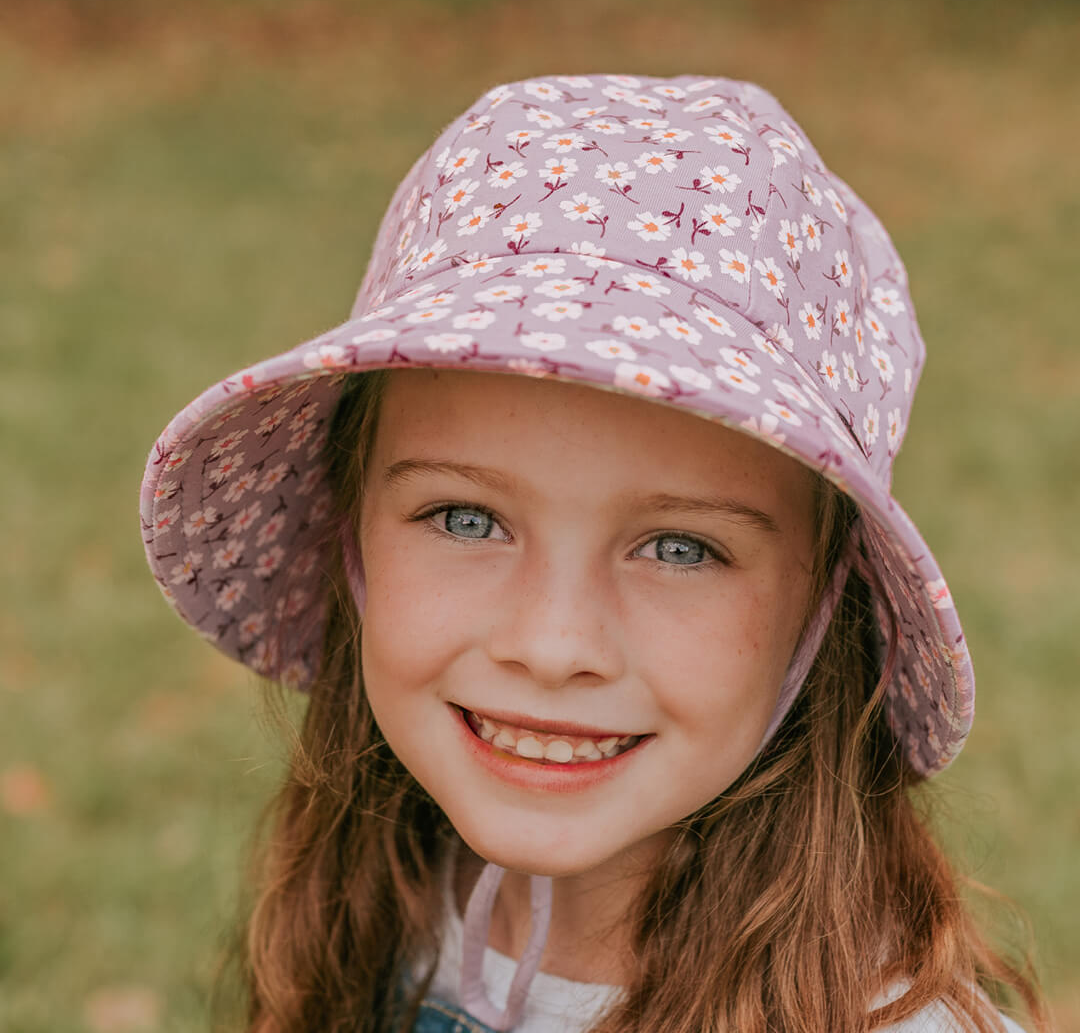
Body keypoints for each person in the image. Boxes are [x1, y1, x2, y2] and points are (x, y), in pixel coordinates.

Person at [140, 75, 1048, 1033]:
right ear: (353, 534)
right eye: (465, 519)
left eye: (679, 547)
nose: (551, 643)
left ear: (823, 608)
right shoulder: (379, 897)